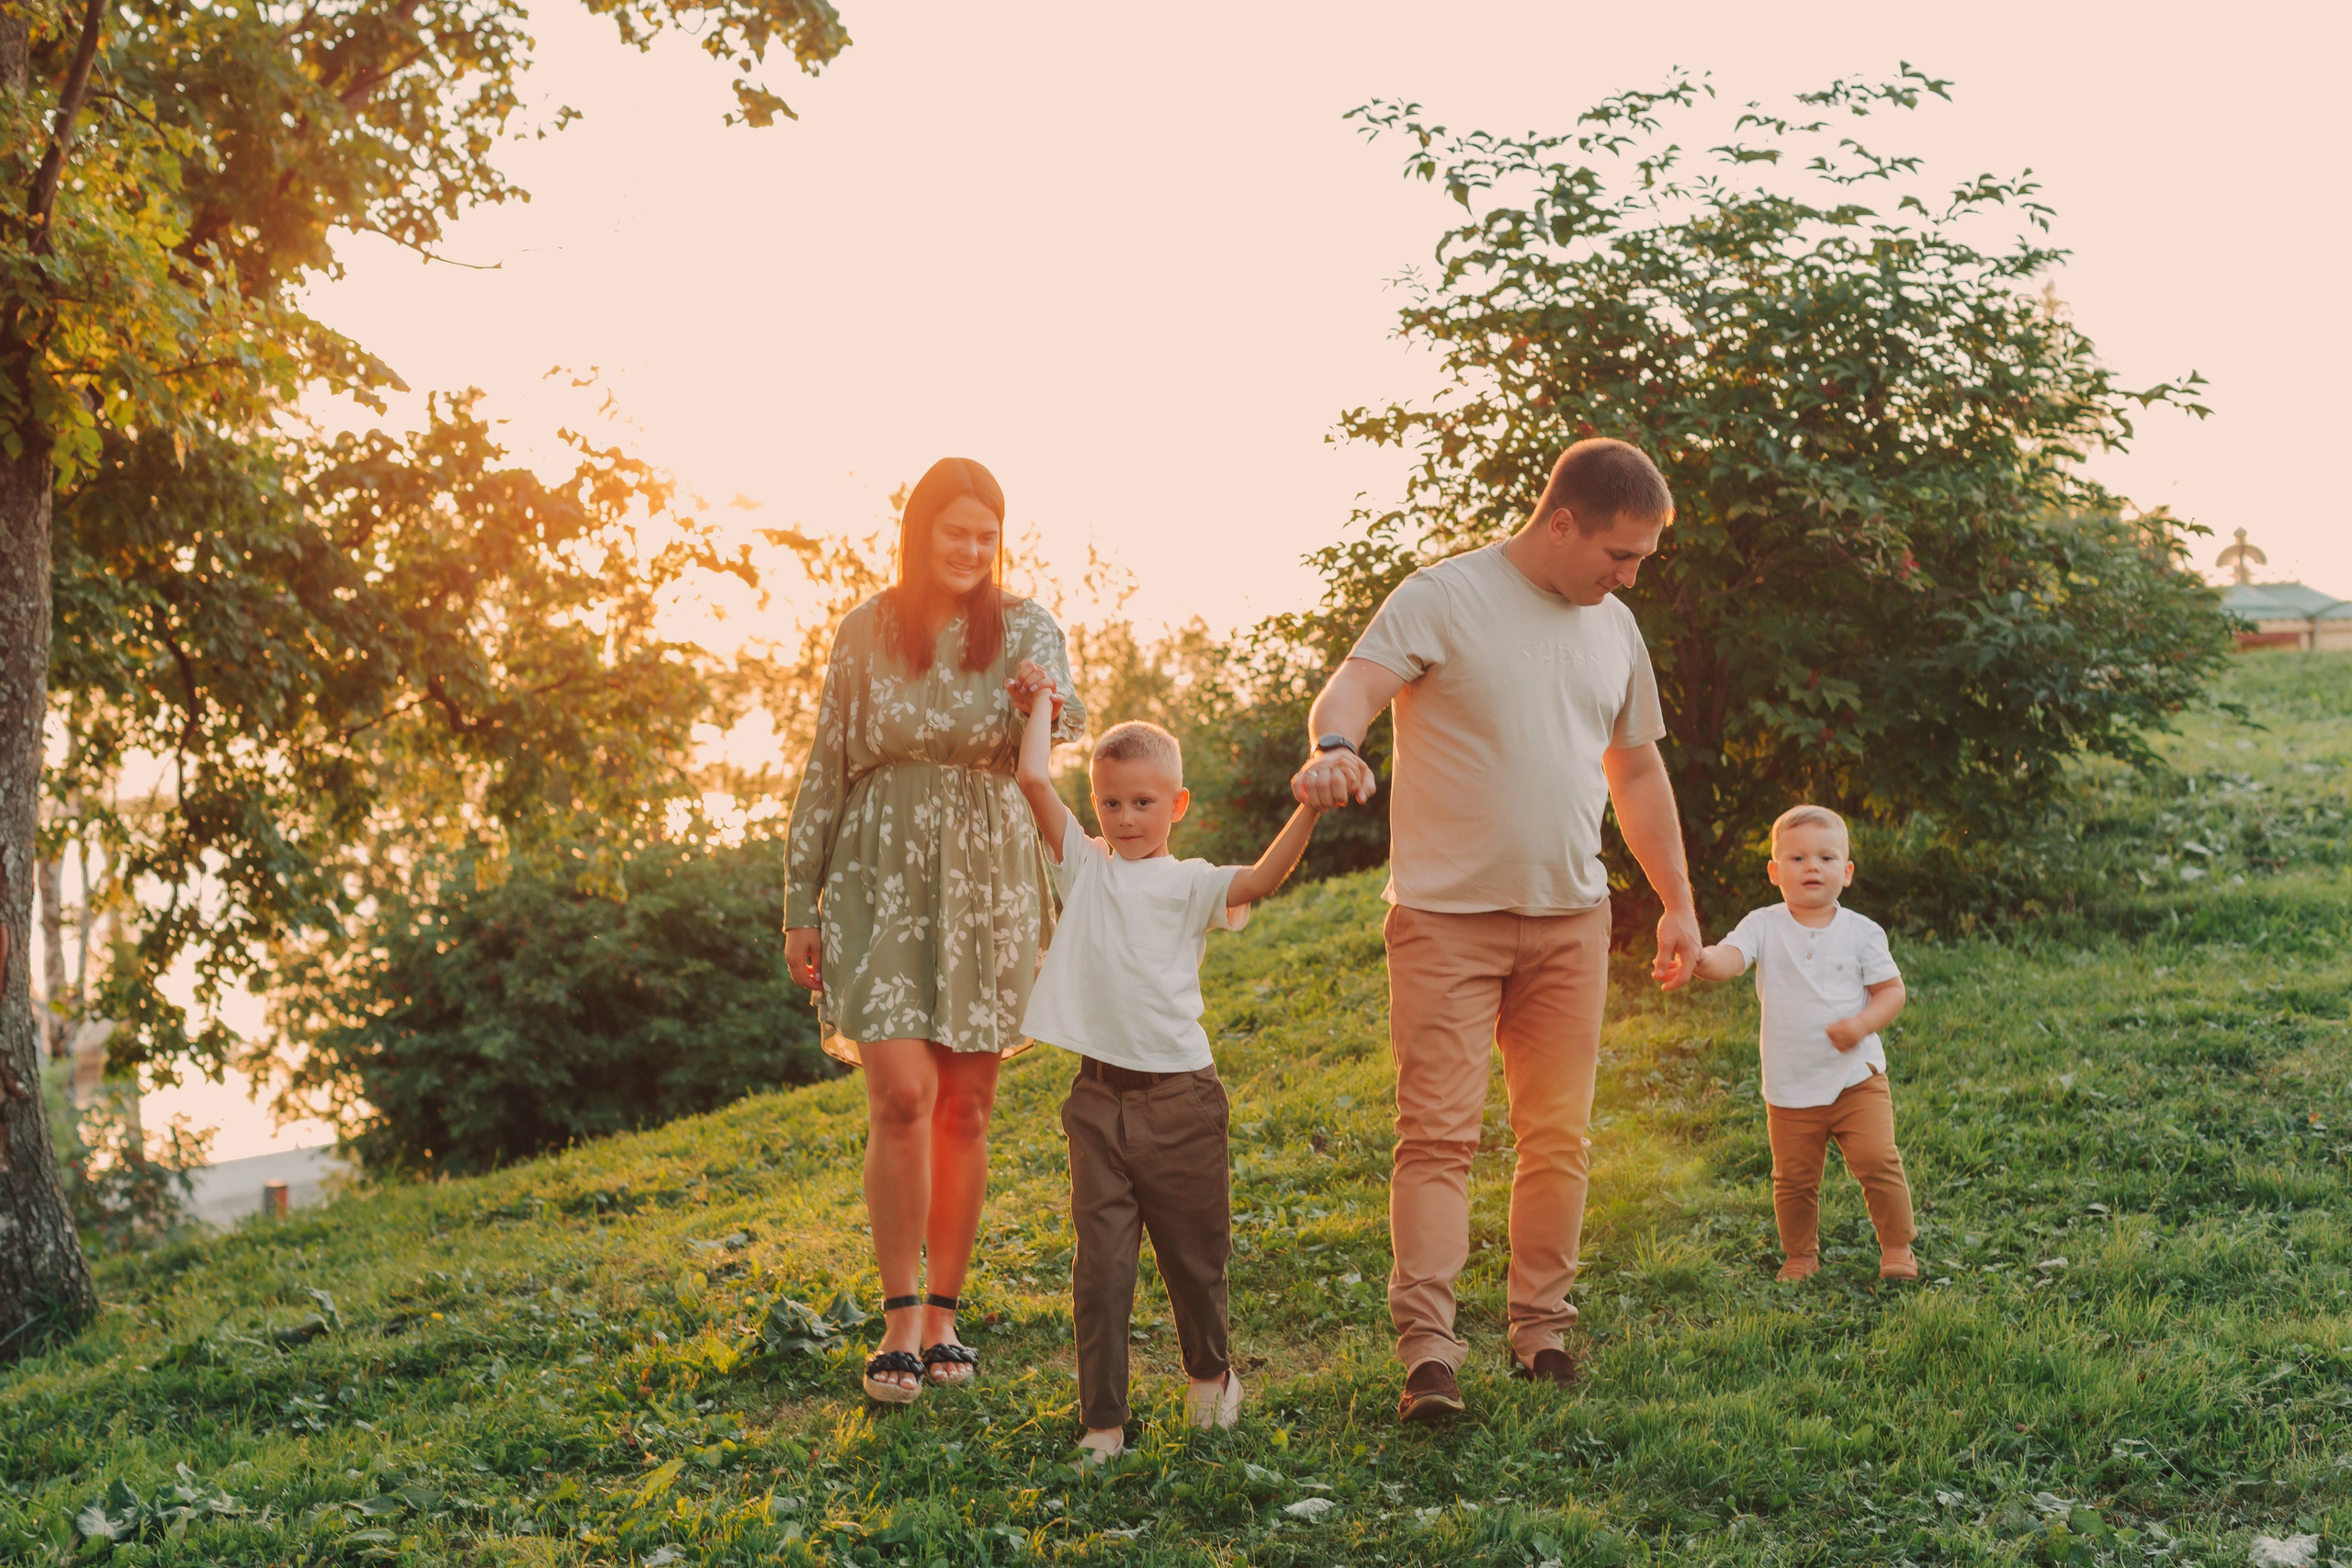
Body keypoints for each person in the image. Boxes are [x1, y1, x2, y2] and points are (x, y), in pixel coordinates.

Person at [1292, 437, 1702, 1424]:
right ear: (1561, 522)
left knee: (1557, 1137)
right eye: (1619, 554)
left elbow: (1636, 772)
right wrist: (1336, 746)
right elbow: (1352, 687)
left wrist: (1677, 899)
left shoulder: (1615, 627)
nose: (1629, 576)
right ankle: (1429, 1353)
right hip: (1445, 921)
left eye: (1641, 559)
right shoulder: (1444, 596)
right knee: (1436, 1138)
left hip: (1570, 920)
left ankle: (1541, 1329)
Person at [783, 457, 1085, 1404]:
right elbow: (826, 764)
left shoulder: (1029, 627)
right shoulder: (864, 630)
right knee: (902, 1093)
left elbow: (1063, 729)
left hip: (990, 881)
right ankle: (899, 1314)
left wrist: (1041, 699)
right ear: (921, 532)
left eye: (987, 536)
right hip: (878, 875)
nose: (972, 550)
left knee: (966, 1106)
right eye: (955, 532)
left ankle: (946, 1313)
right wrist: (800, 902)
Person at [1012, 671, 1323, 1465]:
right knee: (1102, 1271)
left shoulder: (1190, 883)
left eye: (1143, 802)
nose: (1125, 818)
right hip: (1097, 1102)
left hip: (1183, 1099)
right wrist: (1042, 706)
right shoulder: (1084, 868)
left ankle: (1211, 1376)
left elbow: (1262, 878)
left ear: (1176, 805)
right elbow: (1033, 776)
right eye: (1110, 802)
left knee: (1194, 1257)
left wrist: (1311, 806)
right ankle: (1103, 1421)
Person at [1691, 805, 1918, 1282]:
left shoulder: (1862, 932)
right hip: (1791, 1086)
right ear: (1775, 872)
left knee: (1878, 1162)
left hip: (1856, 1079)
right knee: (1793, 1180)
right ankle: (1800, 1255)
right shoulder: (1763, 924)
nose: (1812, 866)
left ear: (1847, 872)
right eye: (1797, 858)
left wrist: (1861, 1025)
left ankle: (1898, 1247)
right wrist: (1701, 959)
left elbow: (1892, 991)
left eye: (1826, 857)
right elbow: (1730, 957)